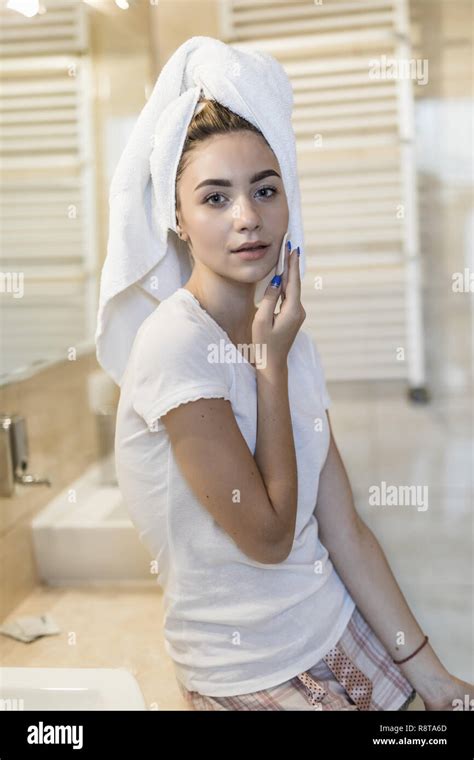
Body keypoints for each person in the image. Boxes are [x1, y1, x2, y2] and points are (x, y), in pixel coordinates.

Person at [114, 97, 472, 711]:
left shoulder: (287, 334)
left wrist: (434, 679)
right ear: (178, 217)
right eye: (215, 197)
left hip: (340, 635)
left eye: (265, 190)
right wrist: (268, 366)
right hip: (248, 674)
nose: (248, 218)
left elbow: (344, 530)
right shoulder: (177, 345)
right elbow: (270, 536)